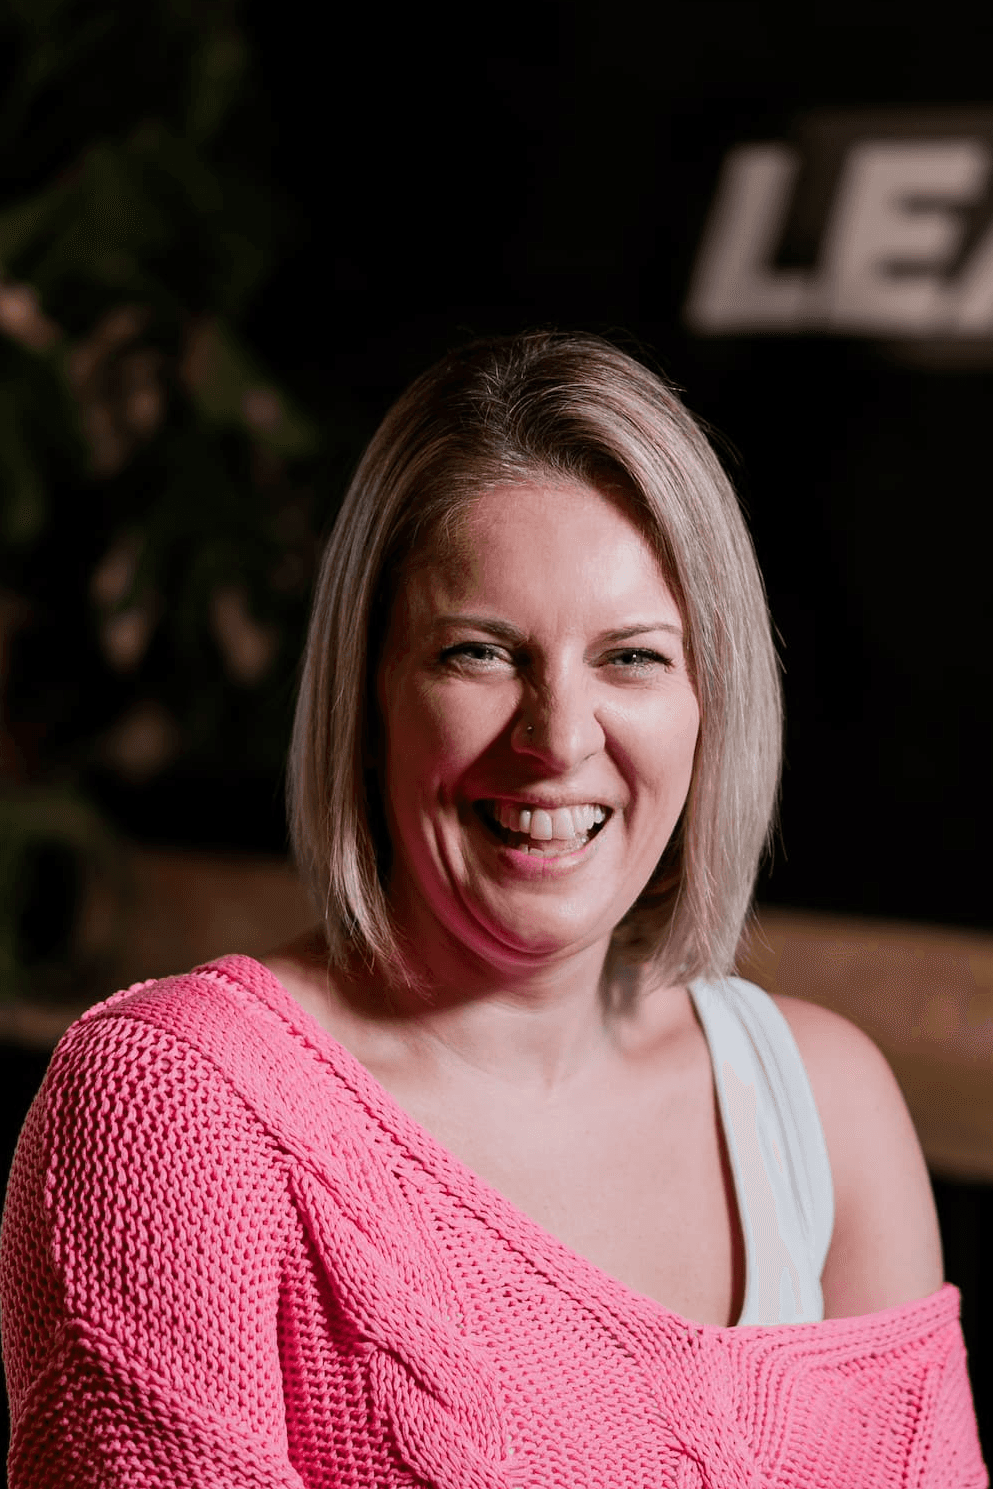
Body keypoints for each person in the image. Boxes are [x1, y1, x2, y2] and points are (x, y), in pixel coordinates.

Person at [0, 331, 985, 1487]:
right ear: (369, 693)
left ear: (712, 698)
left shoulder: (822, 1105)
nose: (558, 738)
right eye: (480, 652)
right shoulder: (178, 1106)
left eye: (631, 657)